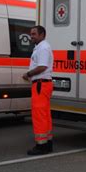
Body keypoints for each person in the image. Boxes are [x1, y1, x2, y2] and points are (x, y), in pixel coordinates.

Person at [22, 25, 54, 155]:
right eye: (31, 34)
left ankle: (41, 146)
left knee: (39, 115)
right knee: (44, 115)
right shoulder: (41, 47)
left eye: (34, 34)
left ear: (42, 35)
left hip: (41, 85)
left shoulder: (43, 48)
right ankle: (47, 143)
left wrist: (28, 74)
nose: (31, 36)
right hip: (42, 84)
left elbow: (42, 66)